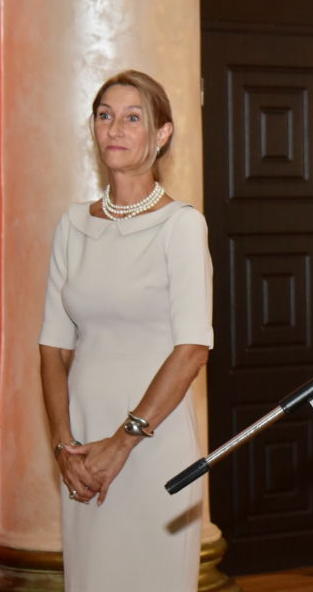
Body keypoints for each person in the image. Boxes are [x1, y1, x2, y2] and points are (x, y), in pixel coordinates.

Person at [38, 70, 212, 592]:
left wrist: (123, 441)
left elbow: (192, 349)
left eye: (133, 118)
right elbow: (52, 348)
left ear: (162, 134)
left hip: (154, 442)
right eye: (105, 116)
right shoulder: (73, 225)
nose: (115, 128)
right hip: (82, 447)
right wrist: (64, 446)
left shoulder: (181, 225)